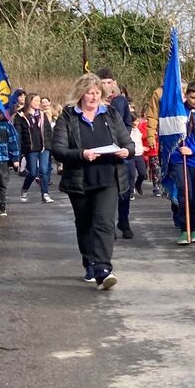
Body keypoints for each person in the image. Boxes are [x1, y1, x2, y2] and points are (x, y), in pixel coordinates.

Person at [52, 73, 134, 289]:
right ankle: (89, 261)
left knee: (104, 222)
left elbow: (128, 142)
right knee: (85, 224)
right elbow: (58, 150)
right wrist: (82, 154)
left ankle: (103, 269)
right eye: (89, 92)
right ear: (81, 94)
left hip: (109, 177)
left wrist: (127, 151)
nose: (93, 96)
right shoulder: (68, 117)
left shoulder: (111, 114)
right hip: (79, 180)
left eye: (97, 93)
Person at [168, 82, 195, 245]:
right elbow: (169, 133)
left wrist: (193, 150)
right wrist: (179, 149)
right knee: (185, 192)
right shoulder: (178, 111)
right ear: (186, 95)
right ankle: (184, 228)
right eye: (193, 97)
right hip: (179, 159)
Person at [96, 68, 135, 239]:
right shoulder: (93, 101)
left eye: (109, 82)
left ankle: (124, 220)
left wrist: (122, 139)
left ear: (114, 83)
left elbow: (127, 122)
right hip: (101, 151)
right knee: (106, 190)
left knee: (124, 188)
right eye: (102, 83)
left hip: (120, 149)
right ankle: (108, 225)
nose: (106, 86)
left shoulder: (120, 101)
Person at [15, 93, 54, 203]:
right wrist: (18, 152)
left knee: (44, 170)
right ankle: (25, 189)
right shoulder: (21, 116)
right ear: (29, 102)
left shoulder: (42, 114)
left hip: (44, 147)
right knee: (32, 172)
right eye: (36, 101)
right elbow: (18, 135)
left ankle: (45, 193)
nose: (39, 103)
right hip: (30, 148)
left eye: (39, 101)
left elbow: (48, 131)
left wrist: (50, 146)